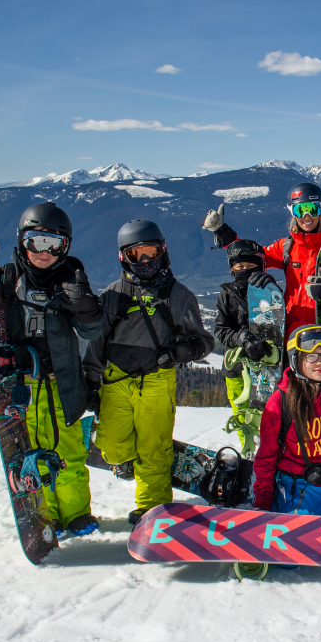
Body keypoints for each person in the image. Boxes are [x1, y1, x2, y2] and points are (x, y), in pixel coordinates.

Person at [0, 202, 103, 538]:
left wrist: (85, 305)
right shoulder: (4, 280)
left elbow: (92, 330)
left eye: (54, 244)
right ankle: (46, 514)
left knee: (71, 453)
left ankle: (76, 513)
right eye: (37, 241)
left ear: (66, 247)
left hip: (61, 382)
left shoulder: (71, 280)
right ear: (22, 240)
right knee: (29, 453)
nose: (44, 252)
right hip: (18, 386)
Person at [82, 219, 215, 525]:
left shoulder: (178, 296)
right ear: (123, 258)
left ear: (162, 251)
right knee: (111, 447)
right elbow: (96, 343)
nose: (143, 261)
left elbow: (204, 341)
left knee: (154, 449)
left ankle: (152, 508)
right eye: (135, 254)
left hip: (157, 380)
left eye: (149, 252)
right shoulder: (113, 295)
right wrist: (91, 379)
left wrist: (181, 352)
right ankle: (126, 462)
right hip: (116, 379)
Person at [202, 183, 321, 340]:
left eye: (312, 208)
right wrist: (224, 233)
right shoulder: (287, 247)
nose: (306, 216)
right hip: (292, 331)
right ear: (293, 213)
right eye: (300, 210)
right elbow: (254, 256)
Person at [252, 325, 321, 517]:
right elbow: (266, 458)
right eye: (311, 356)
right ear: (296, 359)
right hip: (298, 488)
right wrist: (263, 503)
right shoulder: (280, 401)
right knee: (301, 546)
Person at [214, 239, 277, 452]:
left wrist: (270, 289)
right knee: (243, 416)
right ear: (232, 269)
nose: (245, 270)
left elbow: (277, 324)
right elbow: (221, 331)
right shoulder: (227, 296)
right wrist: (242, 338)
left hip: (266, 369)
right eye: (239, 267)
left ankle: (270, 456)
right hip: (236, 370)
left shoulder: (270, 291)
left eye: (250, 267)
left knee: (268, 416)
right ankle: (248, 452)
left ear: (260, 267)